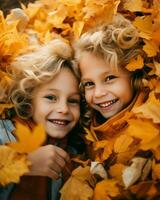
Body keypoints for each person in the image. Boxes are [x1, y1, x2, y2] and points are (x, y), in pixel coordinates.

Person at [71, 13, 160, 198]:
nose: (98, 93)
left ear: (133, 74)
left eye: (109, 78)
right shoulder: (90, 122)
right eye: (89, 84)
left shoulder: (151, 121)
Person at [0, 38, 84, 200]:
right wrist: (24, 164)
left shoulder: (73, 155)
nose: (63, 109)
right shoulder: (4, 133)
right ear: (30, 100)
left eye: (73, 101)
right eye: (51, 97)